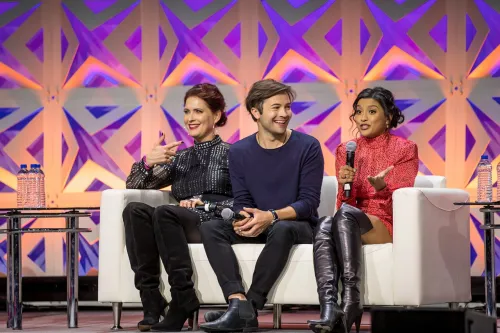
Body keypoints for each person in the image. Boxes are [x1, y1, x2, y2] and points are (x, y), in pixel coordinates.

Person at [198, 79, 325, 332]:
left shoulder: (308, 146)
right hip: (260, 222)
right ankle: (236, 301)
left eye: (287, 107)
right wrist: (245, 219)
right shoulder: (240, 151)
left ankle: (251, 307)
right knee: (211, 228)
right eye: (276, 107)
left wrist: (272, 216)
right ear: (256, 112)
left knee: (281, 229)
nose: (284, 114)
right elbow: (243, 201)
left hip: (296, 225)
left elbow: (309, 203)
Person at [307, 87, 419, 333]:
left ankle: (351, 300)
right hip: (351, 220)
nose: (363, 118)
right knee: (326, 223)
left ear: (388, 117)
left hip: (386, 222)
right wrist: (346, 184)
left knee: (340, 218)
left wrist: (383, 186)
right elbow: (343, 205)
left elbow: (405, 197)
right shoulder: (346, 149)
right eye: (358, 112)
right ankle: (330, 307)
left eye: (371, 112)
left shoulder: (405, 149)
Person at [122, 83, 233, 332]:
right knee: (134, 210)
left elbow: (246, 199)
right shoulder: (180, 158)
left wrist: (206, 203)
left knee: (165, 211)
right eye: (186, 112)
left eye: (198, 111)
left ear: (216, 116)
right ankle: (151, 300)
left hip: (212, 221)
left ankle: (183, 296)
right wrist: (148, 162)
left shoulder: (233, 154)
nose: (190, 118)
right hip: (174, 220)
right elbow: (134, 184)